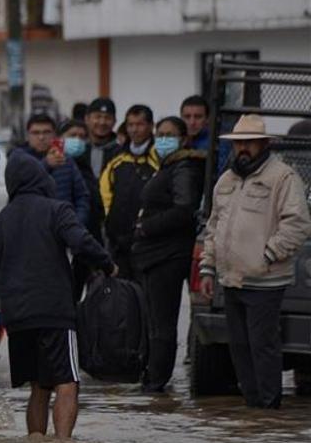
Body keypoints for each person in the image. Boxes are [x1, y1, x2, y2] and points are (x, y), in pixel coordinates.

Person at [0, 152, 115, 439]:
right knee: (67, 383)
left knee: (38, 388)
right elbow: (81, 241)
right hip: (55, 313)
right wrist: (107, 264)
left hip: (16, 317)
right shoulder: (57, 210)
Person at [198, 115, 311, 409]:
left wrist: (268, 255)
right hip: (231, 279)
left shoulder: (282, 177)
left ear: (264, 144)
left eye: (249, 142)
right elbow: (214, 227)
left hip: (266, 281)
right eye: (238, 143)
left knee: (263, 346)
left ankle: (268, 408)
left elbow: (297, 224)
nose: (243, 148)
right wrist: (208, 269)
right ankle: (253, 409)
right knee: (239, 347)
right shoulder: (226, 180)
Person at [131, 116, 204, 394]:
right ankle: (153, 376)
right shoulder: (170, 166)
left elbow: (184, 208)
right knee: (155, 322)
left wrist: (147, 227)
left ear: (183, 139)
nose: (162, 139)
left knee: (162, 324)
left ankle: (156, 381)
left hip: (167, 256)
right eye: (159, 134)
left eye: (169, 134)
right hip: (155, 255)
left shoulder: (183, 168)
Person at [100, 104, 159, 282]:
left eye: (139, 124)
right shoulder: (117, 158)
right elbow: (105, 191)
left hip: (147, 240)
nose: (134, 129)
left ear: (150, 126)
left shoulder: (158, 157)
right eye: (130, 124)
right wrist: (110, 220)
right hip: (118, 242)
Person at [19, 114, 91, 229]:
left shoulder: (66, 160)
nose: (41, 137)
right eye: (36, 133)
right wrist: (45, 165)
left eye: (46, 132)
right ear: (28, 136)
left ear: (54, 135)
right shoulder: (19, 159)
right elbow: (20, 189)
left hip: (64, 228)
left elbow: (82, 196)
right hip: (31, 230)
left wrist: (77, 223)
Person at [60, 119, 106, 301]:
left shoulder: (85, 168)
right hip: (66, 244)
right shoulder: (55, 166)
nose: (78, 140)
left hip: (86, 245)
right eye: (72, 136)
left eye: (82, 136)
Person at [85, 97, 120, 180]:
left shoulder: (120, 152)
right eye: (97, 117)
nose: (102, 122)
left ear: (114, 121)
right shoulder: (78, 150)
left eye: (107, 118)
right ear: (87, 119)